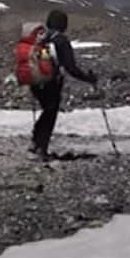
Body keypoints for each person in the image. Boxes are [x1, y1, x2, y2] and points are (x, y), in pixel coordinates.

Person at [28, 9, 98, 160]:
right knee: (50, 113)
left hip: (35, 81)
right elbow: (70, 68)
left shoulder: (40, 38)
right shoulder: (61, 40)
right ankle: (41, 147)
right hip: (51, 83)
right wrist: (88, 79)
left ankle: (36, 142)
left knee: (46, 111)